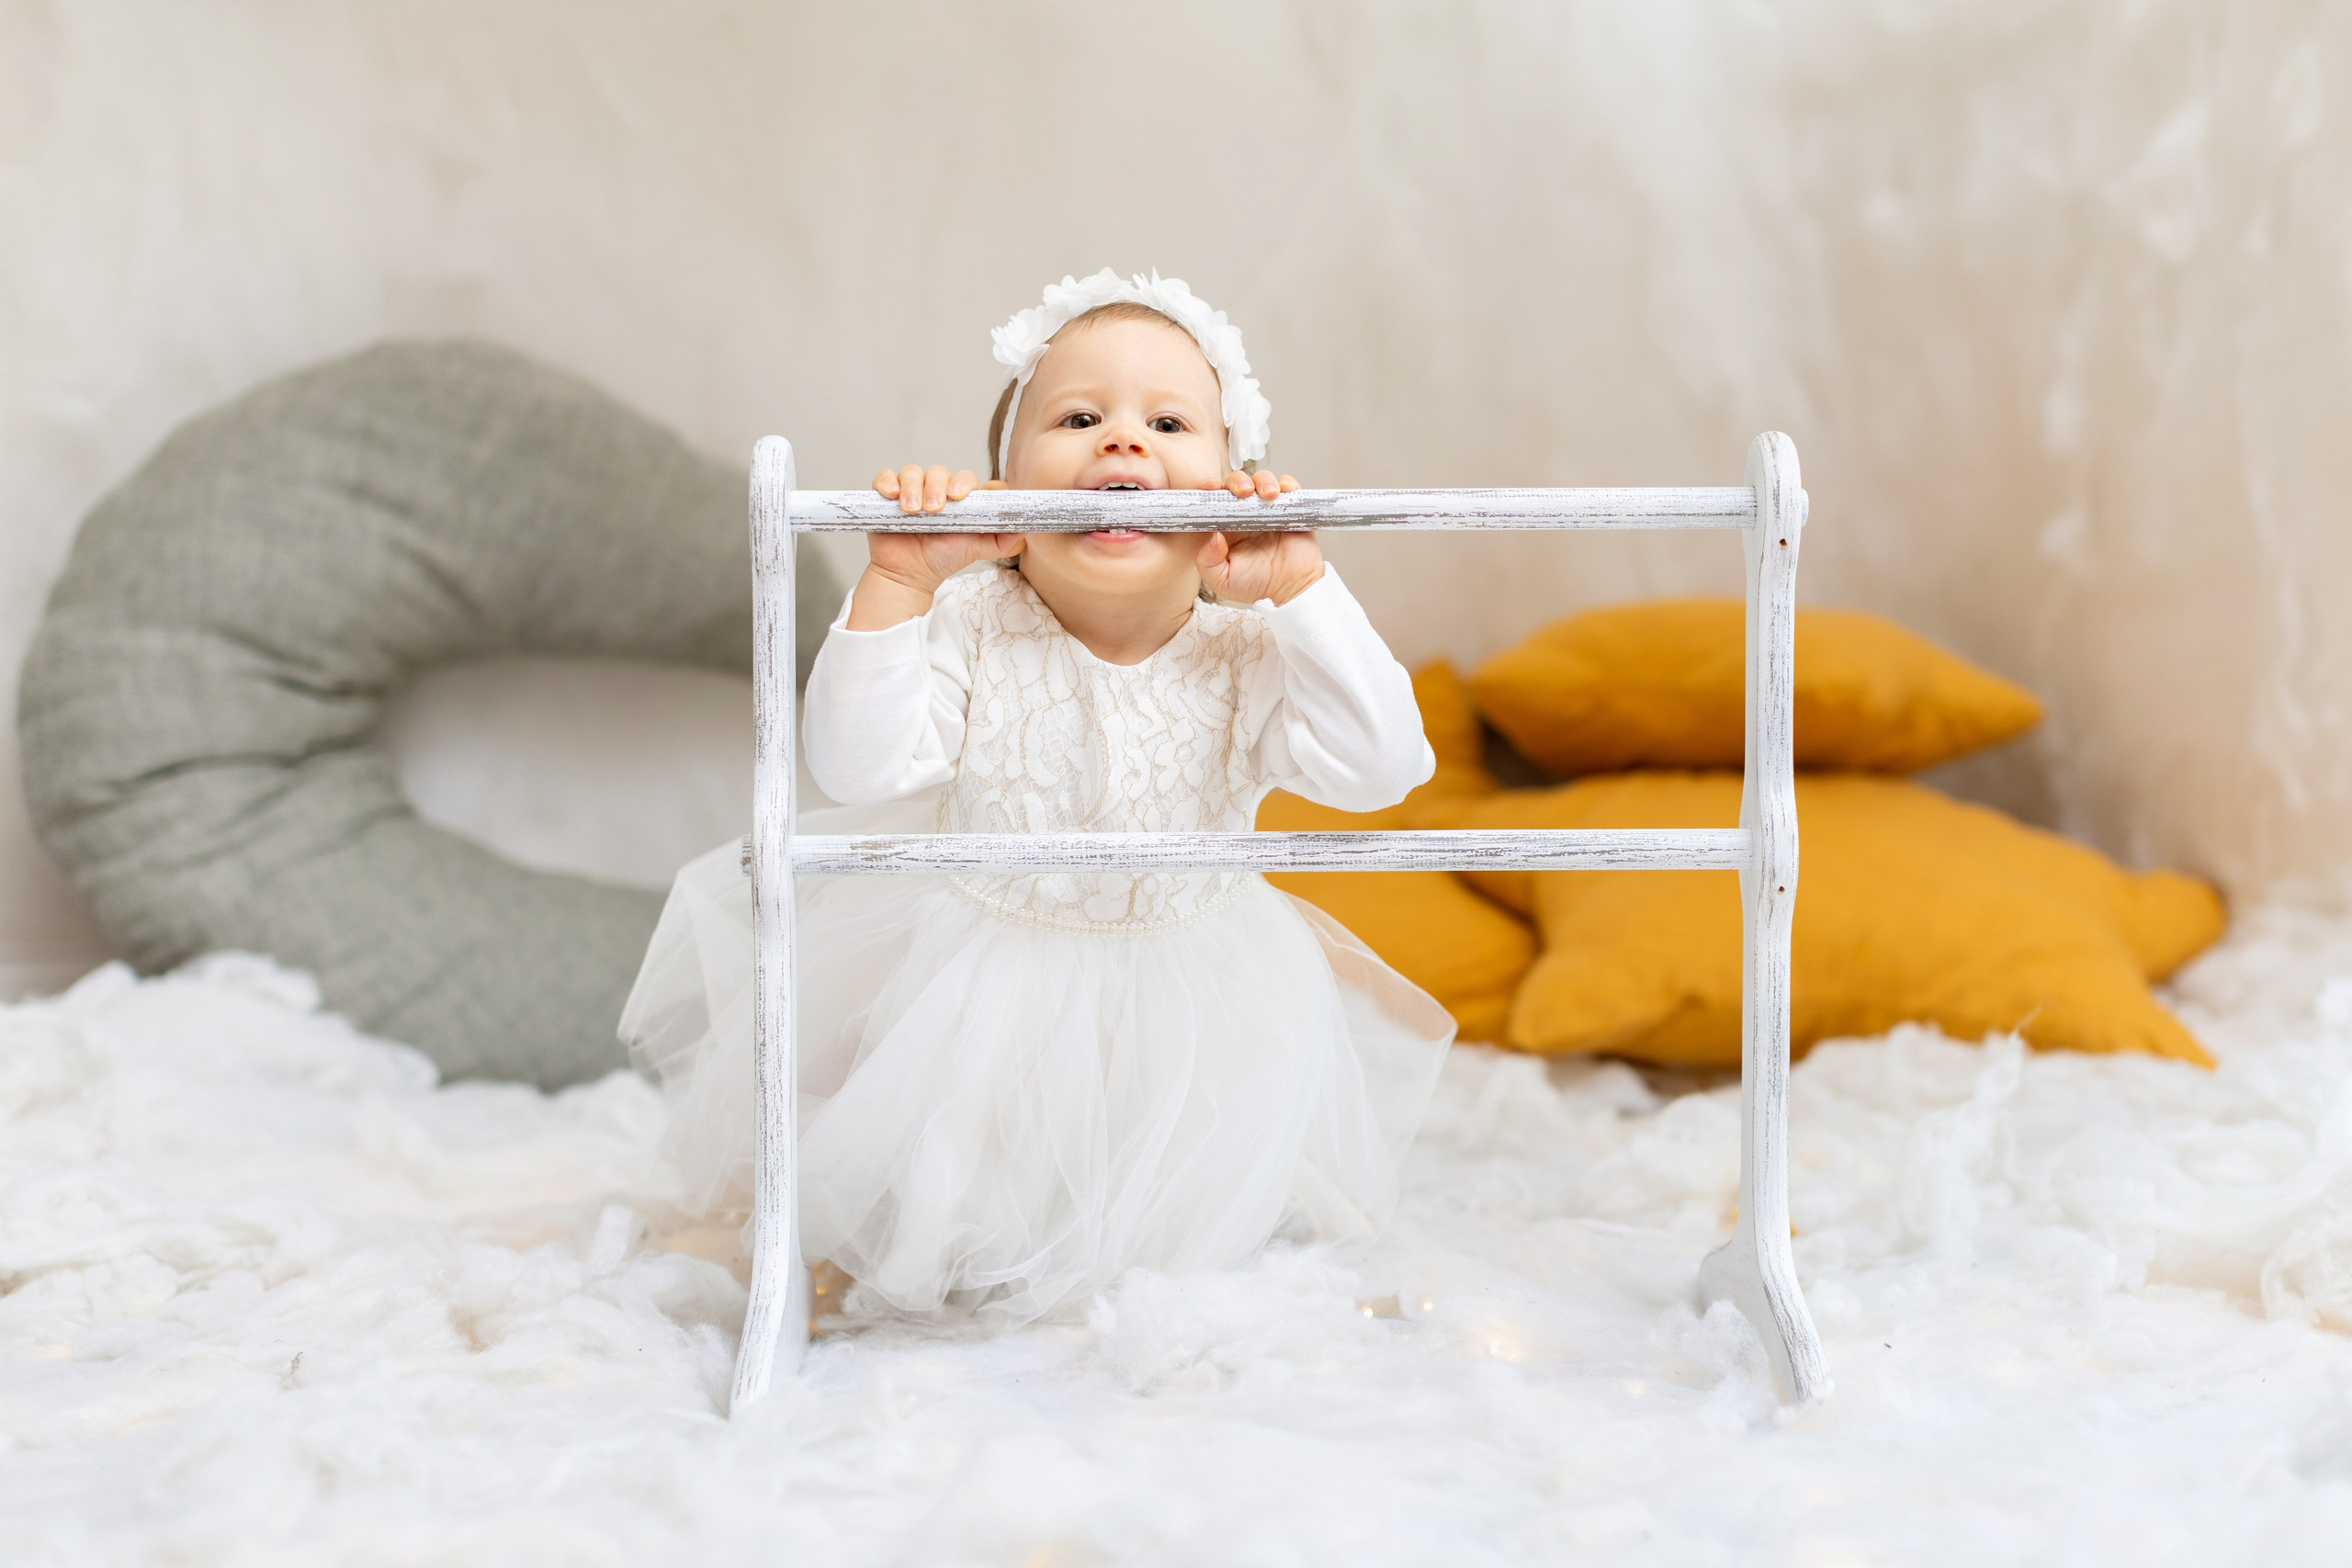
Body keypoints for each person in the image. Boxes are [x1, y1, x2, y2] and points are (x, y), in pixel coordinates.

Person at [623, 270, 1453, 1328]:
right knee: (949, 1214)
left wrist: (1303, 590)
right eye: (1076, 418)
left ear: (1225, 501)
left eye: (1166, 422)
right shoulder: (970, 619)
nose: (1121, 443)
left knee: (1177, 1227)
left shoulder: (1248, 645)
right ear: (1006, 498)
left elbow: (1384, 768)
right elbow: (856, 767)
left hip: (1192, 988)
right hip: (980, 981)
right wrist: (899, 586)